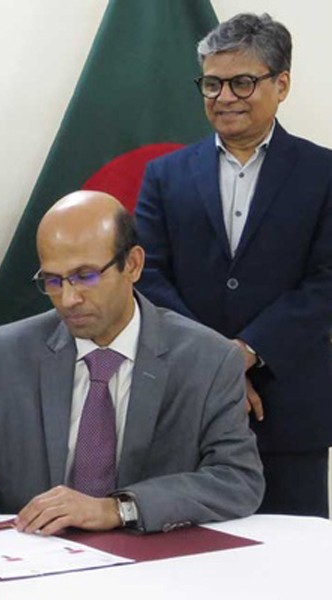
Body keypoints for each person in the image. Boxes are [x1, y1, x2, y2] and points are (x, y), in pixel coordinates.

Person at [0, 191, 263, 535]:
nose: (69, 298)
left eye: (86, 275)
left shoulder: (208, 358)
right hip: (35, 563)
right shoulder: (7, 352)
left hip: (154, 567)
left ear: (133, 264)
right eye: (53, 281)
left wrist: (118, 509)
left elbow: (237, 479)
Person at [135, 13, 332, 517]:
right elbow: (148, 276)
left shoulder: (323, 173)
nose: (224, 97)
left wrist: (248, 351)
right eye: (212, 83)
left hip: (287, 406)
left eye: (242, 82)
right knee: (189, 564)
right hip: (183, 403)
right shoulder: (164, 175)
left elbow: (325, 283)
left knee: (294, 567)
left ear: (281, 83)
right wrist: (216, 360)